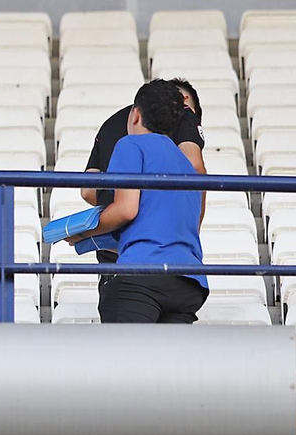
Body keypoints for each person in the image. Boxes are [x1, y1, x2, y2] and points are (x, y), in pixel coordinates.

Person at [61, 79, 209, 324]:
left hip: (142, 274)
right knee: (169, 362)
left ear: (135, 115)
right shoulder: (187, 164)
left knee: (127, 360)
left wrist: (84, 232)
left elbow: (126, 209)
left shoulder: (131, 144)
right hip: (188, 282)